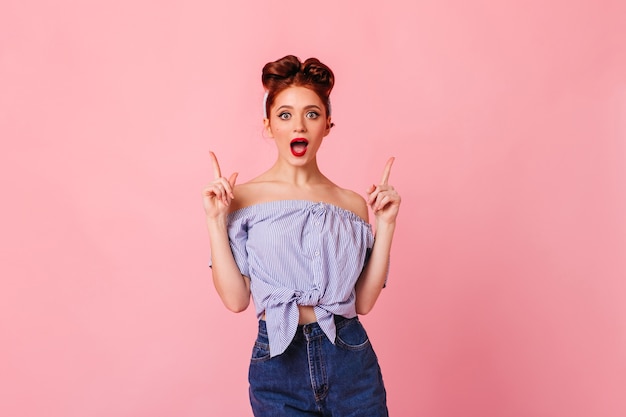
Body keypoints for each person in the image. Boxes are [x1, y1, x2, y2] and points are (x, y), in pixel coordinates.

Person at [202, 55, 401, 416]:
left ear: (327, 124)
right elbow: (235, 300)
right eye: (285, 115)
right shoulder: (244, 198)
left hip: (349, 357)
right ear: (268, 125)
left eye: (311, 114)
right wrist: (215, 220)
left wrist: (385, 225)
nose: (299, 126)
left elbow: (364, 302)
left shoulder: (351, 203)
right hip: (278, 362)